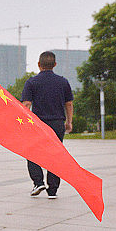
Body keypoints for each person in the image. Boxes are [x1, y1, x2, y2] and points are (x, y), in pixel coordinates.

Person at [21, 50, 74, 199]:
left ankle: (38, 182)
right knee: (55, 154)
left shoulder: (32, 82)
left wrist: (23, 122)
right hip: (57, 123)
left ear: (39, 64)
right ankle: (53, 189)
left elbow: (26, 104)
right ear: (55, 64)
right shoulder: (63, 82)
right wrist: (69, 122)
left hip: (38, 124)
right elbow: (69, 104)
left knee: (31, 152)